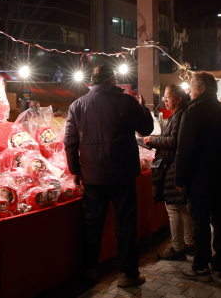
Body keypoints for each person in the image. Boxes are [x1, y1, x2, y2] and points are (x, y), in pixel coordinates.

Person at [64, 65, 154, 287]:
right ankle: (128, 274)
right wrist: (144, 108)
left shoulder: (78, 105)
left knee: (92, 225)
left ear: (92, 82)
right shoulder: (127, 102)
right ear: (114, 80)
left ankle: (90, 271)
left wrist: (75, 170)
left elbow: (70, 142)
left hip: (92, 176)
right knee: (125, 224)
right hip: (122, 174)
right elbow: (146, 130)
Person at [175, 72, 221, 281]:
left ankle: (201, 266)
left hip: (199, 177)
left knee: (200, 223)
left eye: (192, 86)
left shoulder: (193, 111)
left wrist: (180, 178)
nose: (189, 90)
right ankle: (219, 265)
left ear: (201, 88)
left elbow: (185, 148)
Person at [144, 84, 193, 261]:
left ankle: (178, 247)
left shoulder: (180, 115)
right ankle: (188, 243)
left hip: (173, 166)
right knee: (182, 208)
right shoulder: (179, 114)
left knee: (174, 208)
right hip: (176, 164)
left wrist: (154, 141)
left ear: (178, 99)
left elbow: (173, 140)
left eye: (168, 96)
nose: (165, 99)